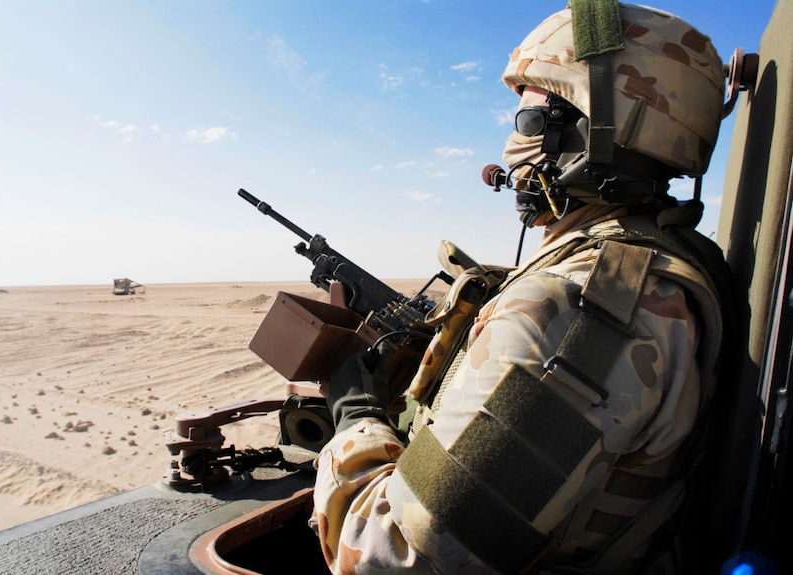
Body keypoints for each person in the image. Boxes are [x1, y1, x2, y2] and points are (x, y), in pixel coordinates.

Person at [310, 2, 729, 573]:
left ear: (596, 129)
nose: (510, 150)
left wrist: (354, 418)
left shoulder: (575, 310)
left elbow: (392, 556)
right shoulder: (650, 260)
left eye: (530, 123)